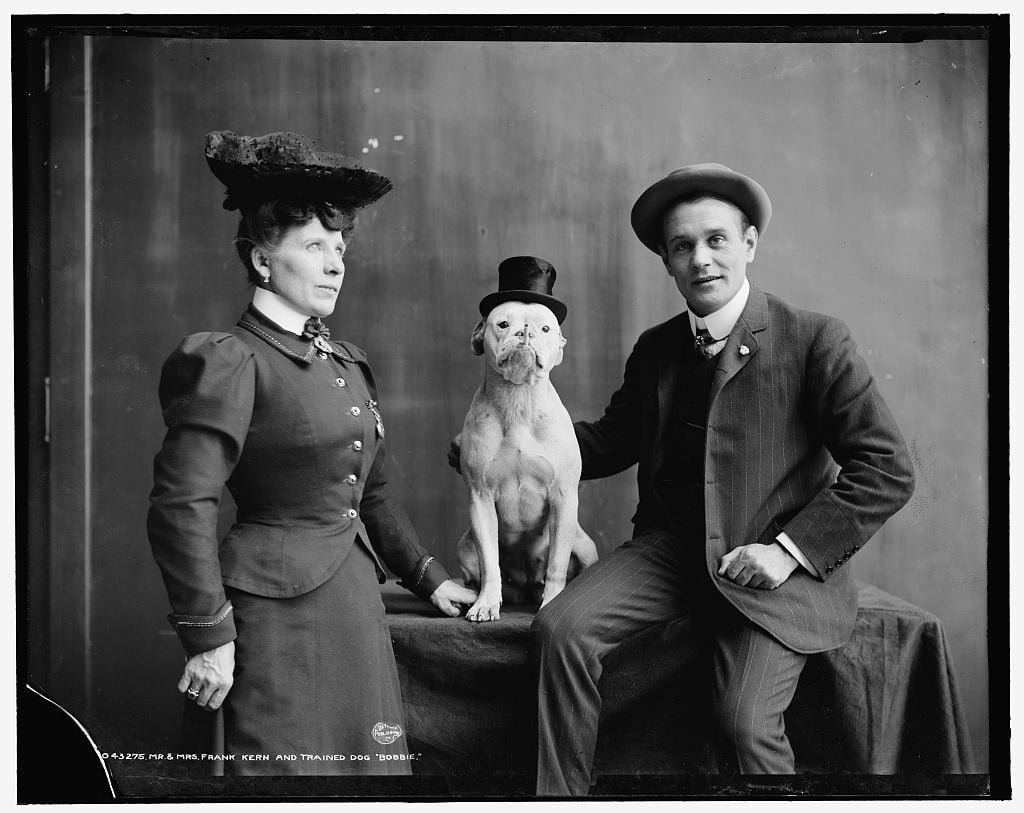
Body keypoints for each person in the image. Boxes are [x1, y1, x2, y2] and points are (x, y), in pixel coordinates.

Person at [528, 163, 916, 794]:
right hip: (673, 554)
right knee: (559, 630)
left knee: (741, 720)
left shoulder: (814, 338)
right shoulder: (657, 348)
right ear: (666, 262)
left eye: (716, 240)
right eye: (682, 247)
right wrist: (515, 438)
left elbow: (888, 468)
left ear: (750, 245)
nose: (700, 259)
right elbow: (607, 443)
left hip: (768, 566)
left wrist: (787, 552)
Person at [147, 130, 476, 776]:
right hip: (272, 617)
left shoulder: (344, 364)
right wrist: (209, 636)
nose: (335, 264)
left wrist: (430, 577)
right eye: (313, 246)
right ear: (262, 260)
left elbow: (372, 495)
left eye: (340, 247)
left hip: (353, 608)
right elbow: (180, 505)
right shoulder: (231, 361)